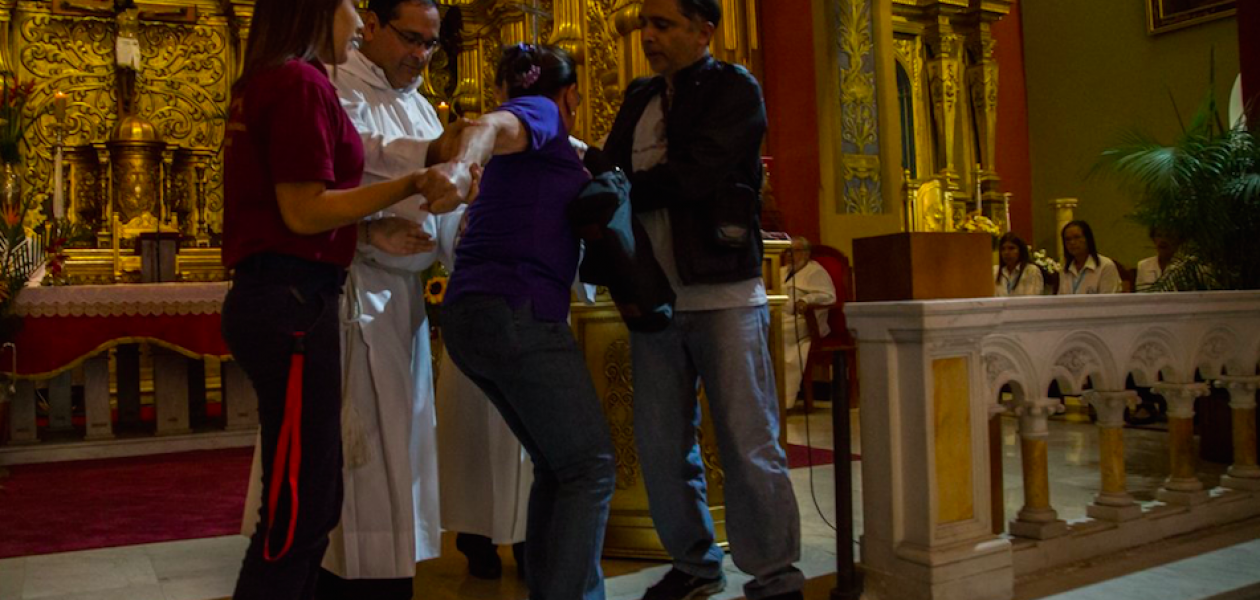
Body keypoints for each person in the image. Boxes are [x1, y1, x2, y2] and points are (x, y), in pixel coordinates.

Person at [221, 0, 464, 597]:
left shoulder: (278, 78)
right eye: (351, 9)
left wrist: (371, 226)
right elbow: (301, 208)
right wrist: (411, 182)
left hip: (296, 296)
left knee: (311, 500)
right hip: (298, 300)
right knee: (300, 509)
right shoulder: (303, 82)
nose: (359, 26)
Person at [600, 1, 805, 599]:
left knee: (748, 440)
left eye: (663, 24)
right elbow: (611, 169)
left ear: (703, 31)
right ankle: (694, 564)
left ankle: (775, 575)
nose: (649, 35)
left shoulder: (733, 89)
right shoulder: (639, 97)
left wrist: (622, 187)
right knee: (661, 444)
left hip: (722, 293)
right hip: (653, 295)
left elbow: (696, 173)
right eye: (646, 24)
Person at [436, 44, 616, 600]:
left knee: (557, 465)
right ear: (570, 96)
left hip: (472, 315)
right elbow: (493, 124)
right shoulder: (539, 113)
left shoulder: (547, 148)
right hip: (517, 310)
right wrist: (464, 163)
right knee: (590, 467)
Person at [780, 236, 835, 409]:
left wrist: (806, 300)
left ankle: (785, 399)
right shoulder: (781, 270)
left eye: (794, 251)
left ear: (806, 253)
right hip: (782, 315)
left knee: (780, 333)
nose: (789, 255)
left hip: (806, 320)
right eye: (787, 251)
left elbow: (828, 296)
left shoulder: (816, 271)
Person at [1058, 220, 1120, 295]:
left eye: (1077, 237)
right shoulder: (1065, 269)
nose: (1072, 242)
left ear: (1088, 239)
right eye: (1068, 239)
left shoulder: (1105, 266)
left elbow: (1108, 301)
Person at [993, 232, 1044, 297]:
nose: (1006, 252)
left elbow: (1033, 299)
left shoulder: (1031, 271)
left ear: (1021, 250)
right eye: (1003, 249)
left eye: (1011, 248)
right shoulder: (995, 271)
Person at [1135, 226, 1181, 291]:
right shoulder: (1143, 265)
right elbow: (1141, 294)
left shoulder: (1184, 265)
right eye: (1159, 235)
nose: (1163, 240)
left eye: (1168, 236)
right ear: (1153, 239)